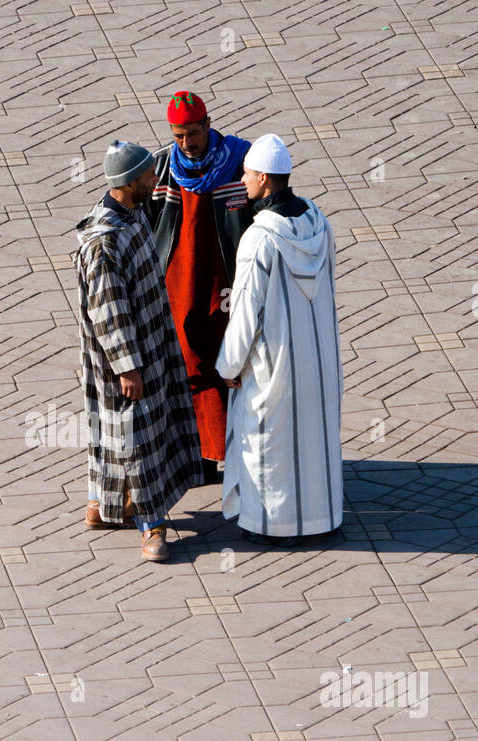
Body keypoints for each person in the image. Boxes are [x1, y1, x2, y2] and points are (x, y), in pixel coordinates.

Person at [75, 141, 203, 562]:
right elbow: (108, 311)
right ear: (129, 183)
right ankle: (152, 525)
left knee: (115, 436)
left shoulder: (133, 213)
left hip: (152, 344)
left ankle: (101, 504)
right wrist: (128, 367)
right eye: (149, 174)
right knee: (137, 438)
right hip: (127, 361)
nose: (156, 178)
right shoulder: (104, 242)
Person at [215, 134, 343, 544]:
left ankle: (269, 525)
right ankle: (321, 519)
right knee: (313, 439)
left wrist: (229, 366)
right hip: (318, 355)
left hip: (274, 363)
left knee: (268, 442)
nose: (243, 179)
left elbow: (246, 311)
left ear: (266, 179)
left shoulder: (259, 238)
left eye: (248, 173)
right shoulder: (318, 222)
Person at [144, 91, 252, 481]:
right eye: (178, 135)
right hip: (181, 284)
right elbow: (147, 225)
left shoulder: (243, 161)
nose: (187, 143)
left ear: (208, 125)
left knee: (234, 361)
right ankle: (201, 456)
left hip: (230, 281)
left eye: (193, 133)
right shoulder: (160, 167)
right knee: (190, 364)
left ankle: (236, 450)